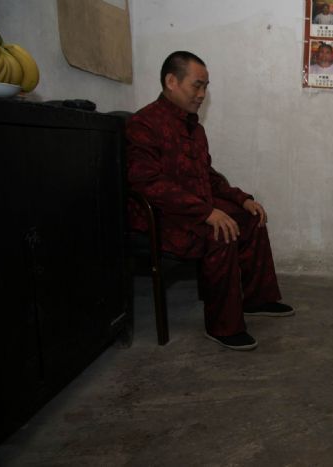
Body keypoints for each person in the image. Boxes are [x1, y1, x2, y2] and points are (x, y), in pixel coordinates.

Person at [127, 51, 294, 351]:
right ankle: (223, 326)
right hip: (162, 218)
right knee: (221, 230)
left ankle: (257, 299)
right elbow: (147, 183)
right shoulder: (144, 124)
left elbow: (208, 176)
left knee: (251, 217)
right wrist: (207, 212)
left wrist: (242, 199)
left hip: (193, 210)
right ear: (171, 81)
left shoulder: (194, 128)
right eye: (197, 85)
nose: (202, 94)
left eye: (206, 87)